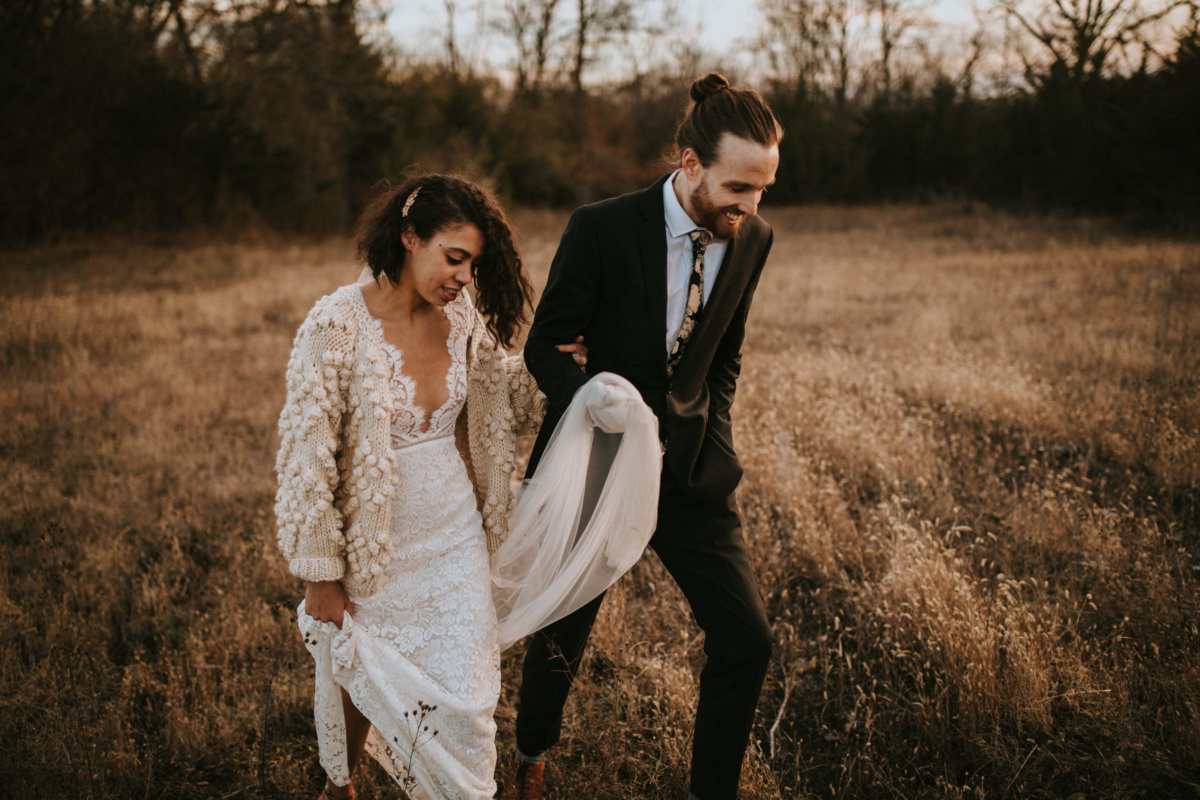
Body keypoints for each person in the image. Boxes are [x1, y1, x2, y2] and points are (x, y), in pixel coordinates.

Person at [501, 73, 784, 800]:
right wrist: (596, 400)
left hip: (692, 470)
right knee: (563, 630)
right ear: (689, 164)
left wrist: (706, 429)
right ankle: (530, 756)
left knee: (746, 641)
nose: (750, 207)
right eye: (738, 187)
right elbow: (546, 347)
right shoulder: (601, 227)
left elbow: (727, 354)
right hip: (597, 460)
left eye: (763, 190)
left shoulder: (753, 239)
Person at [273, 174, 593, 800]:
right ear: (409, 236)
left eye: (473, 264)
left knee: (469, 701)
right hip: (375, 550)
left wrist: (558, 364)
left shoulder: (463, 317)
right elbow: (306, 459)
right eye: (454, 258)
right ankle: (340, 785)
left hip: (454, 539)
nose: (463, 278)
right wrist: (319, 572)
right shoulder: (337, 325)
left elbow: (502, 402)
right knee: (362, 666)